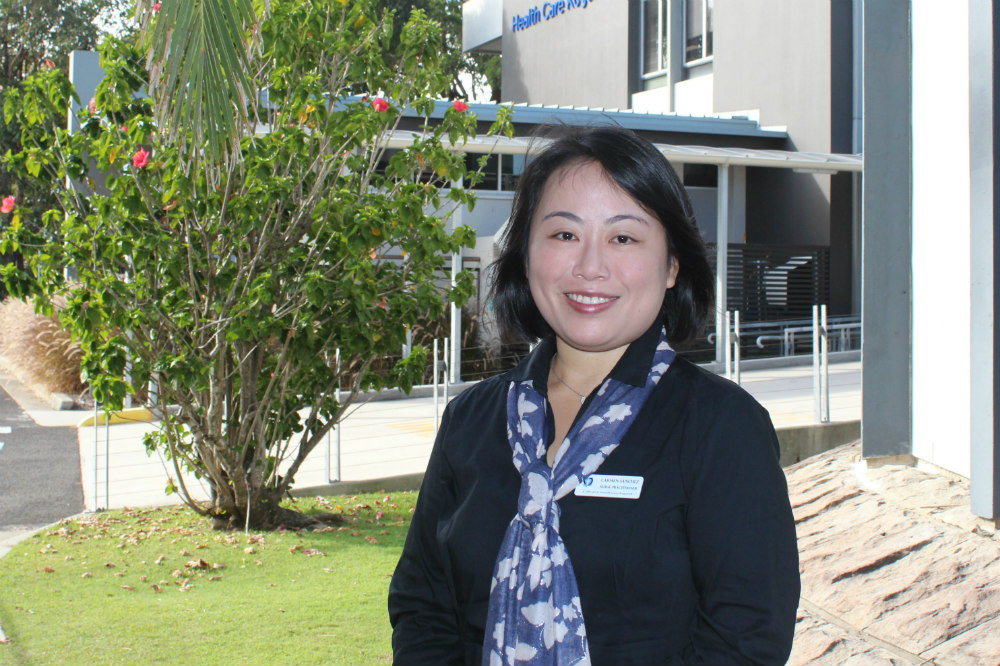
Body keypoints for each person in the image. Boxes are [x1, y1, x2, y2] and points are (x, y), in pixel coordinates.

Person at [388, 126, 800, 666]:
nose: (590, 267)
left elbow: (746, 636)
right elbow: (423, 607)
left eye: (624, 238)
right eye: (564, 235)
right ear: (526, 252)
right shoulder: (472, 420)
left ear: (673, 264)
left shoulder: (721, 427)